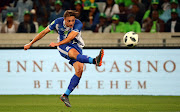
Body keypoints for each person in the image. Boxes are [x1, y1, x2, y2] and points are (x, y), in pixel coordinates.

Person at [23, 10, 104, 107]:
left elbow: (71, 37)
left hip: (76, 46)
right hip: (63, 46)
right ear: (64, 19)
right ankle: (95, 60)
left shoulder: (78, 24)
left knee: (79, 70)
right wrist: (30, 43)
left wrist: (57, 43)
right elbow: (44, 32)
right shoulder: (57, 22)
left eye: (73, 20)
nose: (71, 23)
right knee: (74, 54)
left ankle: (65, 95)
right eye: (69, 21)